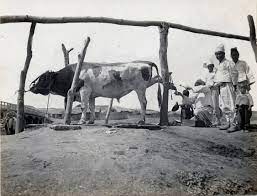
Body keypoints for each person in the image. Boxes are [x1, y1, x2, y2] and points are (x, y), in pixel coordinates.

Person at [213, 44, 238, 130]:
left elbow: (234, 74)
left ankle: (234, 124)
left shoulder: (229, 63)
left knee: (231, 104)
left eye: (220, 53)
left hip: (228, 85)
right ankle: (228, 123)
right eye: (216, 54)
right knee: (224, 105)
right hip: (221, 87)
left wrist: (234, 85)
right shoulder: (219, 65)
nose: (218, 56)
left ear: (223, 53)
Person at [203, 60, 221, 126]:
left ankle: (218, 120)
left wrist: (213, 85)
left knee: (215, 105)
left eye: (210, 66)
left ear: (213, 66)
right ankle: (213, 121)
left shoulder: (215, 73)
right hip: (208, 91)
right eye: (208, 66)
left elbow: (218, 82)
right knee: (210, 105)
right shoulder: (207, 74)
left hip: (214, 90)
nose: (209, 67)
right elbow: (206, 82)